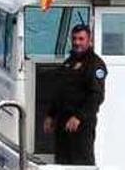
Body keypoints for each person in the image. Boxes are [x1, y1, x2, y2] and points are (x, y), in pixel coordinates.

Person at [45, 24, 107, 165]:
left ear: (89, 40)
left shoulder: (95, 64)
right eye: (74, 38)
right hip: (62, 121)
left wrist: (79, 117)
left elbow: (97, 96)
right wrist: (50, 115)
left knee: (81, 161)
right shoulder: (69, 62)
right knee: (62, 161)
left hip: (81, 124)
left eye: (81, 39)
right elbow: (60, 92)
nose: (77, 42)